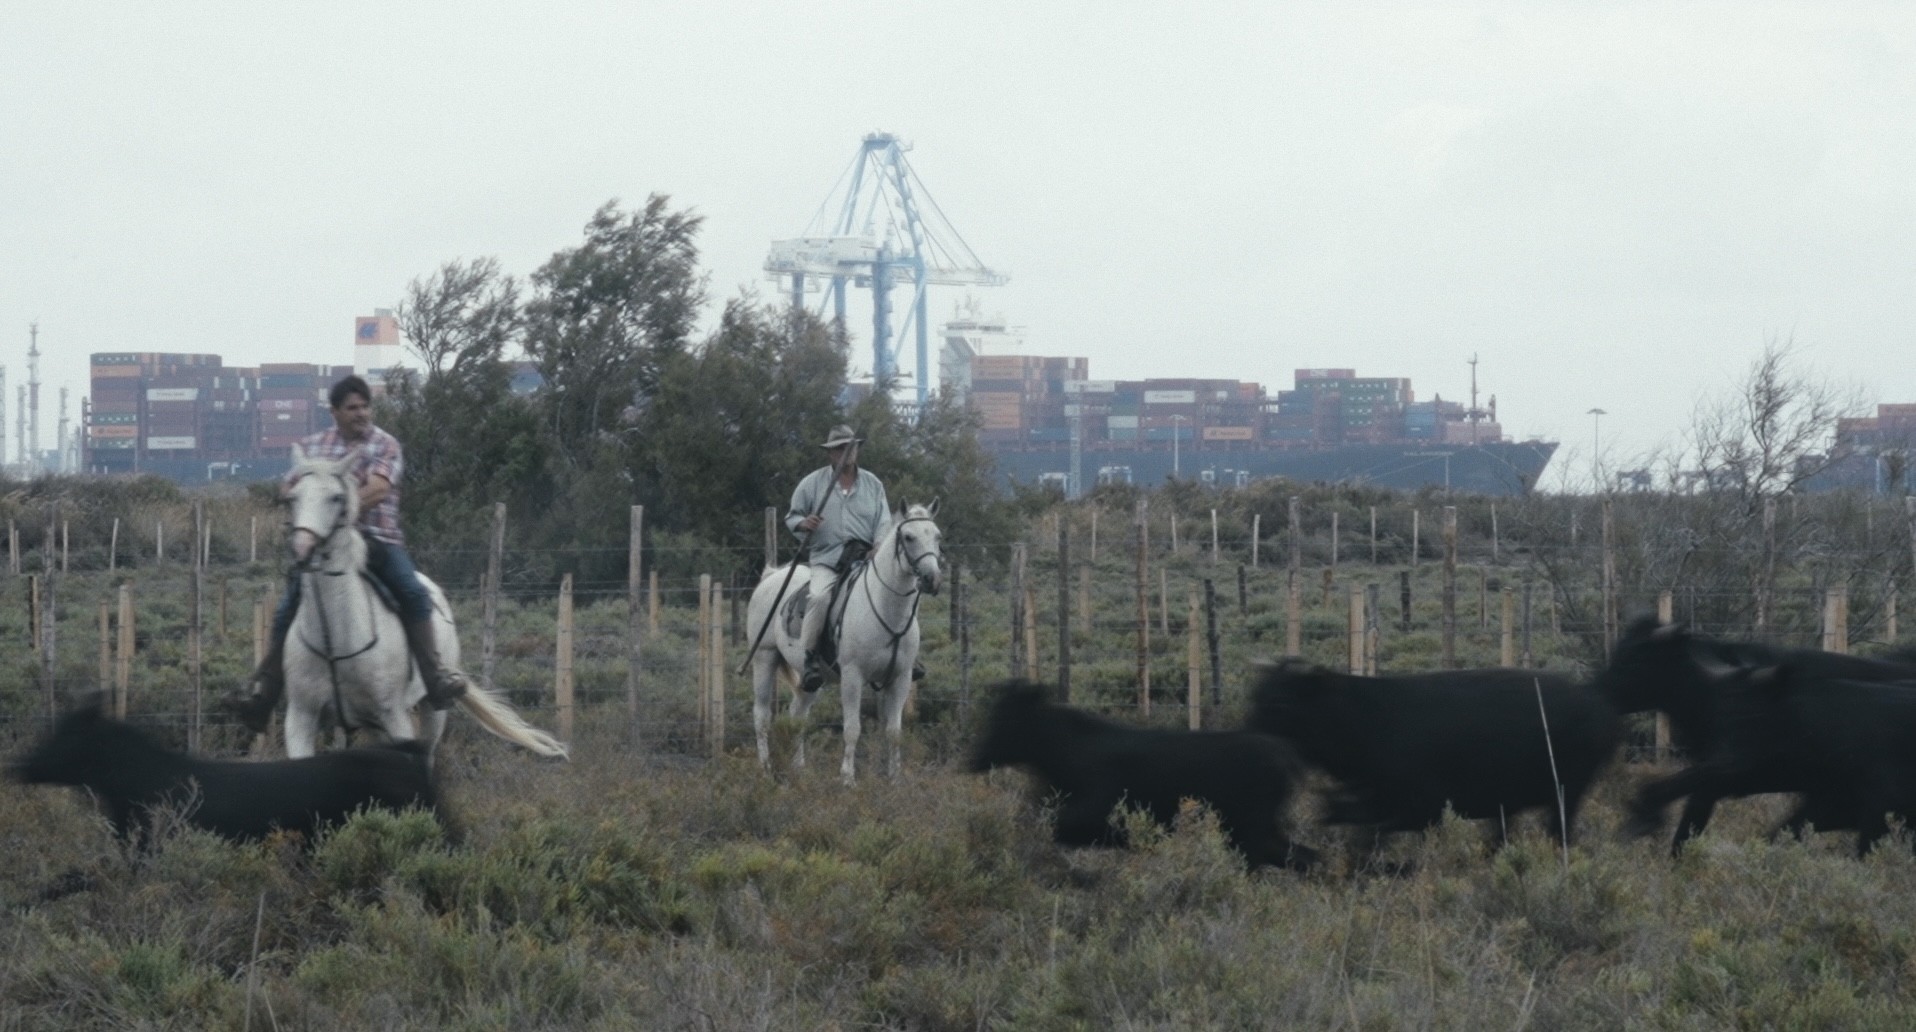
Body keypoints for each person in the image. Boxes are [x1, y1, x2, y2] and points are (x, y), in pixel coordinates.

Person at [226, 375, 468, 733]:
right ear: (335, 411)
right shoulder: (312, 447)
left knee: (414, 592)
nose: (361, 414)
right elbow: (288, 487)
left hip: (378, 541)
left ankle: (436, 677)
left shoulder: (385, 445)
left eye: (365, 406)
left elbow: (379, 489)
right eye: (352, 408)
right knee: (287, 606)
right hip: (325, 549)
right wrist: (301, 497)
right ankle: (264, 691)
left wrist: (338, 509)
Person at [786, 424, 893, 692]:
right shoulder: (812, 484)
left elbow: (884, 520)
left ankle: (904, 656)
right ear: (831, 454)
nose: (847, 453)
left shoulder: (873, 484)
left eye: (851, 447)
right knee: (820, 597)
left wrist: (879, 545)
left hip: (866, 559)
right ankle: (810, 658)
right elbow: (792, 517)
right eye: (841, 449)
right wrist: (804, 524)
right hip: (828, 560)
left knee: (896, 592)